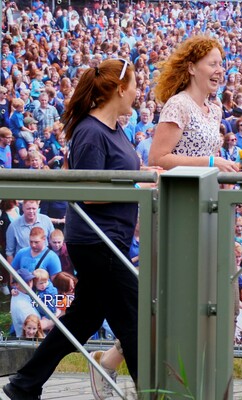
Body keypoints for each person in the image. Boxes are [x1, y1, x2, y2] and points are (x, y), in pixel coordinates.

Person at [4, 58, 140, 400]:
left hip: (110, 239)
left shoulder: (113, 128)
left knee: (83, 319)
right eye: (136, 84)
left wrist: (141, 174)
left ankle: (24, 384)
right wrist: (136, 186)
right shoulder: (91, 132)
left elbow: (114, 175)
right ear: (120, 89)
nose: (139, 91)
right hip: (98, 241)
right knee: (133, 321)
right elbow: (85, 193)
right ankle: (155, 393)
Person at [149, 36, 238, 172]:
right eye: (213, 64)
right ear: (191, 68)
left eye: (221, 64)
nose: (220, 70)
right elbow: (157, 159)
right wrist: (210, 163)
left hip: (207, 190)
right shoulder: (178, 105)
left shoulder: (215, 111)